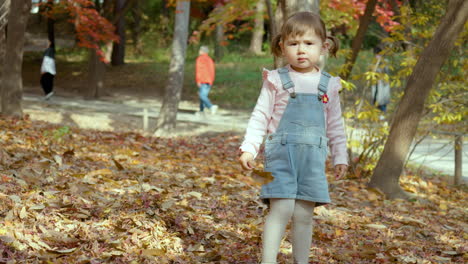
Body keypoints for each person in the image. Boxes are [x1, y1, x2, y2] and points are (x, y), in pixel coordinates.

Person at [238, 12, 348, 264]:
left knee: (303, 214)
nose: (301, 50)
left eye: (309, 44)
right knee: (282, 207)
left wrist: (340, 156)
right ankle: (268, 261)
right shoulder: (276, 80)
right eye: (293, 43)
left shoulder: (328, 85)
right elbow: (260, 116)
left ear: (324, 47)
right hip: (282, 156)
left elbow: (335, 125)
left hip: (312, 160)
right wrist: (249, 148)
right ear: (281, 46)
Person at [195, 45, 218, 115]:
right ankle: (201, 111)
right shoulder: (210, 59)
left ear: (202, 51)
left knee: (202, 95)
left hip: (203, 80)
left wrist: (198, 80)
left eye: (200, 50)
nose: (199, 51)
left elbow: (198, 70)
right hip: (209, 80)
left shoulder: (200, 59)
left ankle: (211, 106)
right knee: (203, 95)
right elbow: (212, 71)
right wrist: (211, 80)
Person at [371, 45, 390, 114]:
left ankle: (383, 113)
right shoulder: (374, 62)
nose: (376, 56)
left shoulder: (385, 62)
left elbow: (386, 72)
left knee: (382, 99)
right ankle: (377, 113)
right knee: (375, 99)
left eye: (378, 55)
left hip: (383, 83)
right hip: (375, 83)